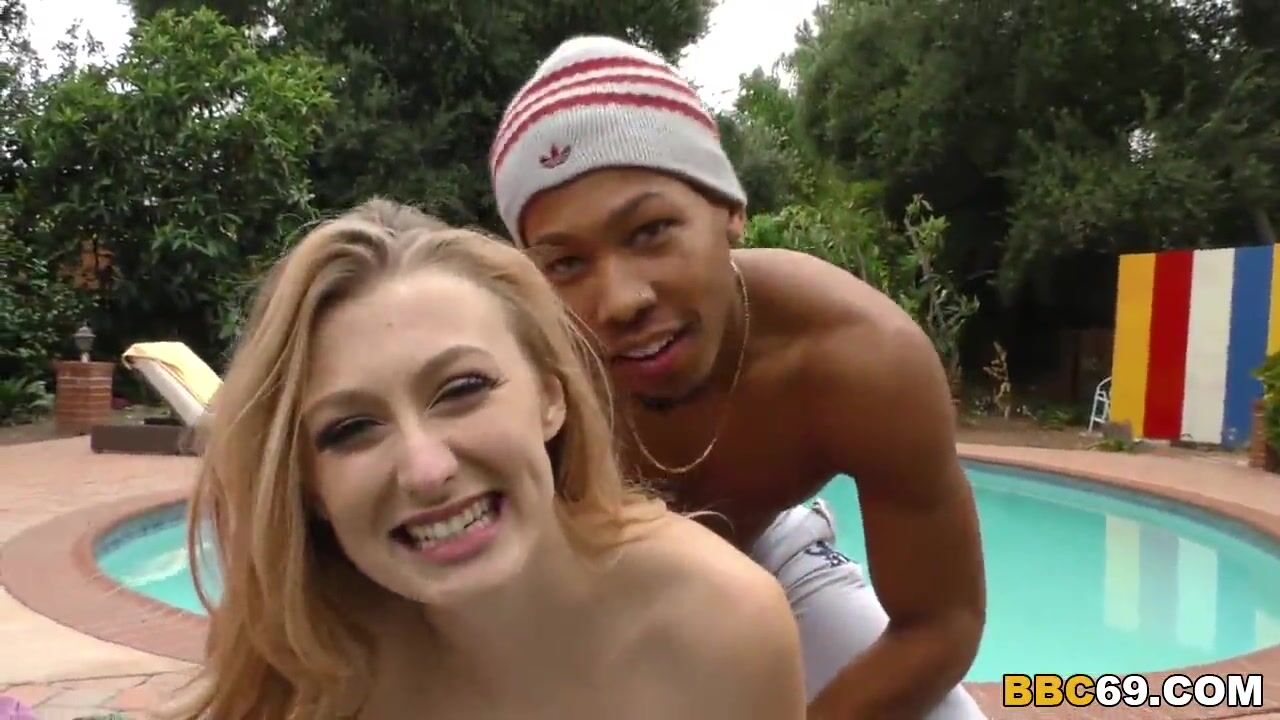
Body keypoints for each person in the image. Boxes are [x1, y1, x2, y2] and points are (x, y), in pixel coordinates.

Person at [488, 36, 989, 719]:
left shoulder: (858, 358)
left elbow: (939, 624)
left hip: (769, 548)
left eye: (650, 231)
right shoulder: (520, 377)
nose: (621, 301)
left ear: (729, 208)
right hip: (586, 597)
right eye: (566, 264)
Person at [168, 198, 806, 720]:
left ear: (551, 397)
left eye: (463, 389)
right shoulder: (308, 666)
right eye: (352, 429)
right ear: (310, 487)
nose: (426, 470)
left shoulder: (717, 624)